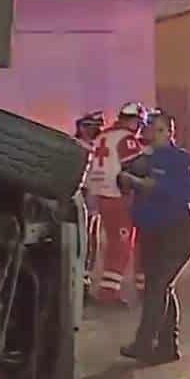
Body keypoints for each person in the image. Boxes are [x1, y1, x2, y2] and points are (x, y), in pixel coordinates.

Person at [116, 112, 190, 365]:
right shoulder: (143, 160)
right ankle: (167, 347)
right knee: (160, 287)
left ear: (168, 131)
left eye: (154, 127)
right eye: (148, 127)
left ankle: (144, 343)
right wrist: (129, 180)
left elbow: (189, 191)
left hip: (178, 233)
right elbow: (124, 180)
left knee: (157, 288)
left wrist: (145, 184)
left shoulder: (180, 160)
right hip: (153, 233)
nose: (148, 131)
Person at [86, 102, 148, 306]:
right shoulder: (127, 139)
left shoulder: (103, 136)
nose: (139, 128)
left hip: (96, 195)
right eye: (139, 123)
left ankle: (100, 287)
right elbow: (135, 167)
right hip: (116, 197)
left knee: (97, 243)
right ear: (134, 120)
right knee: (121, 245)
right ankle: (109, 292)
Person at [75, 111, 105, 292]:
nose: (97, 130)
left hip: (93, 195)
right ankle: (80, 280)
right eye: (93, 126)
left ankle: (85, 279)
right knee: (84, 237)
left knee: (92, 239)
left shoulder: (94, 146)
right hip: (83, 194)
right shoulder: (77, 146)